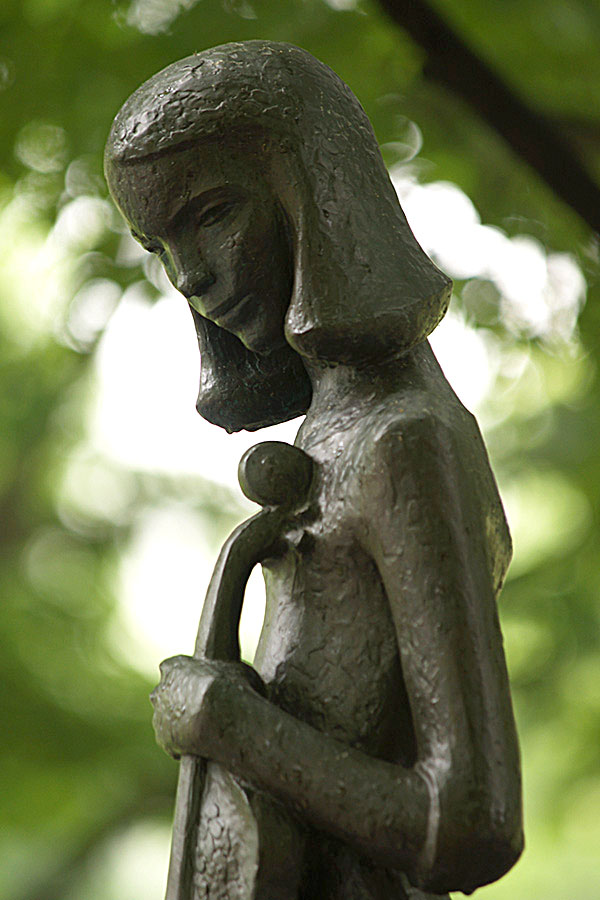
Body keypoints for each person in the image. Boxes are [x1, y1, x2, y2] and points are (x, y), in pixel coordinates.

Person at [105, 41, 523, 900]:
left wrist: (229, 724)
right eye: (160, 247)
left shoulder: (405, 442)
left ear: (311, 191)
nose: (190, 277)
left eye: (214, 214)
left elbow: (472, 823)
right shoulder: (336, 436)